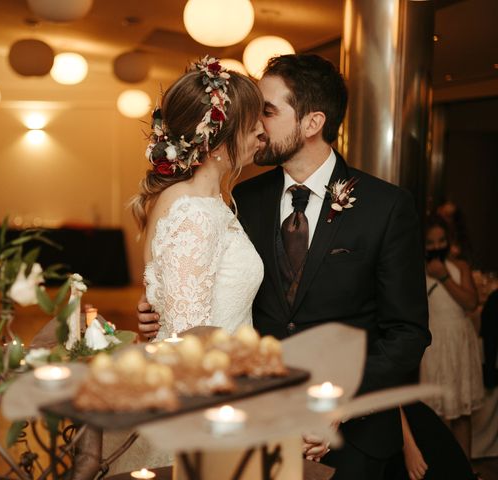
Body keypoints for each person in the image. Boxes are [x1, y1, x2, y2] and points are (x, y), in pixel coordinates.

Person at [138, 54, 431, 480]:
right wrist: (159, 311)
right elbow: (201, 291)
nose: (256, 124)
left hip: (354, 439)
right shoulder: (239, 198)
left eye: (268, 111)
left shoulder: (386, 207)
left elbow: (407, 335)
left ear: (312, 123)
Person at [131, 56, 265, 341]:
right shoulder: (193, 213)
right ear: (216, 140)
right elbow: (188, 338)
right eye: (252, 124)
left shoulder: (208, 201)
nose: (261, 132)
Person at [421, 216, 483, 458]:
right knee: (433, 411)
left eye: (441, 240)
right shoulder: (416, 269)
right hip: (434, 343)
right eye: (430, 242)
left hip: (459, 343)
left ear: (449, 241)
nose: (436, 246)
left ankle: (465, 469)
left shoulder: (460, 267)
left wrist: (444, 276)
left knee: (461, 410)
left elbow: (470, 302)